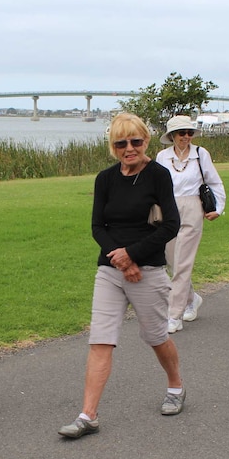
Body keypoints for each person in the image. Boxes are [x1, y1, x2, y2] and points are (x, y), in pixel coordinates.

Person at [58, 113, 184, 439]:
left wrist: (134, 255)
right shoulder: (105, 179)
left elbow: (171, 224)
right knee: (100, 340)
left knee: (156, 336)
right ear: (113, 147)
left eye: (135, 141)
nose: (129, 148)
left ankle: (175, 386)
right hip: (111, 270)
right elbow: (98, 227)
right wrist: (121, 259)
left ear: (146, 140)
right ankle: (88, 415)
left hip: (149, 271)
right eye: (121, 143)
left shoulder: (158, 175)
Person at [156, 115, 226, 333]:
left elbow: (214, 181)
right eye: (181, 133)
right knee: (170, 261)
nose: (186, 137)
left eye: (189, 133)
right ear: (172, 136)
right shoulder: (162, 156)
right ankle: (191, 299)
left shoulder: (200, 154)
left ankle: (173, 315)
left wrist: (218, 208)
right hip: (168, 209)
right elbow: (156, 186)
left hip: (193, 207)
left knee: (183, 262)